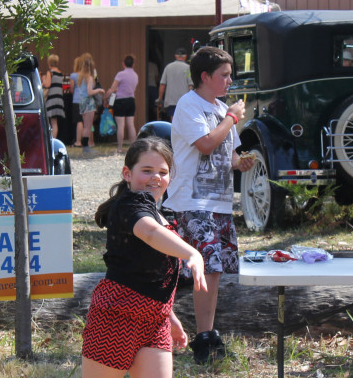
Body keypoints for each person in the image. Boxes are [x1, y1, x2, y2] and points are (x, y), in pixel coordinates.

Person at [83, 137, 208, 378]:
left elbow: (150, 274)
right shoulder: (130, 205)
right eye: (147, 170)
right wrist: (192, 253)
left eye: (163, 172)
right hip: (117, 316)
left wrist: (169, 316)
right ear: (127, 174)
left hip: (155, 321)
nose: (156, 177)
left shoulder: (157, 213)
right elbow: (149, 233)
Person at [162, 46, 255, 364]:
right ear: (205, 76)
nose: (230, 81)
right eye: (224, 75)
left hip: (219, 203)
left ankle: (206, 332)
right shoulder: (189, 104)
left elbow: (227, 152)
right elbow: (205, 144)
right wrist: (232, 118)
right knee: (206, 266)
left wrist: (240, 162)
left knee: (214, 271)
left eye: (230, 75)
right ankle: (201, 337)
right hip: (192, 200)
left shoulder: (221, 108)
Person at [105, 54, 139, 154]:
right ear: (133, 64)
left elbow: (113, 88)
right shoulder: (135, 75)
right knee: (131, 124)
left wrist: (106, 98)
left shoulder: (120, 74)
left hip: (120, 100)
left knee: (121, 125)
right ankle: (133, 147)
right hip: (131, 100)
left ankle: (120, 147)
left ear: (123, 64)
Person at [75, 54, 105, 153]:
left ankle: (85, 146)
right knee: (88, 126)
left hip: (82, 102)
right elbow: (89, 92)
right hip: (89, 103)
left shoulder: (80, 78)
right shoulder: (90, 78)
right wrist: (99, 90)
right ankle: (86, 146)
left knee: (85, 125)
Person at [157, 48, 193, 122]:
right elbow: (190, 85)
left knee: (173, 120)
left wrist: (160, 99)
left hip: (171, 100)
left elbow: (162, 84)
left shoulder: (168, 67)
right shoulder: (188, 68)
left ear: (175, 56)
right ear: (185, 56)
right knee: (183, 120)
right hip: (184, 100)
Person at [42, 54, 70, 139]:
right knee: (55, 122)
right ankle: (53, 139)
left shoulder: (50, 72)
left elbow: (47, 84)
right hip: (59, 99)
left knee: (51, 122)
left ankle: (52, 140)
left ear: (49, 62)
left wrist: (42, 82)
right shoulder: (60, 73)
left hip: (51, 99)